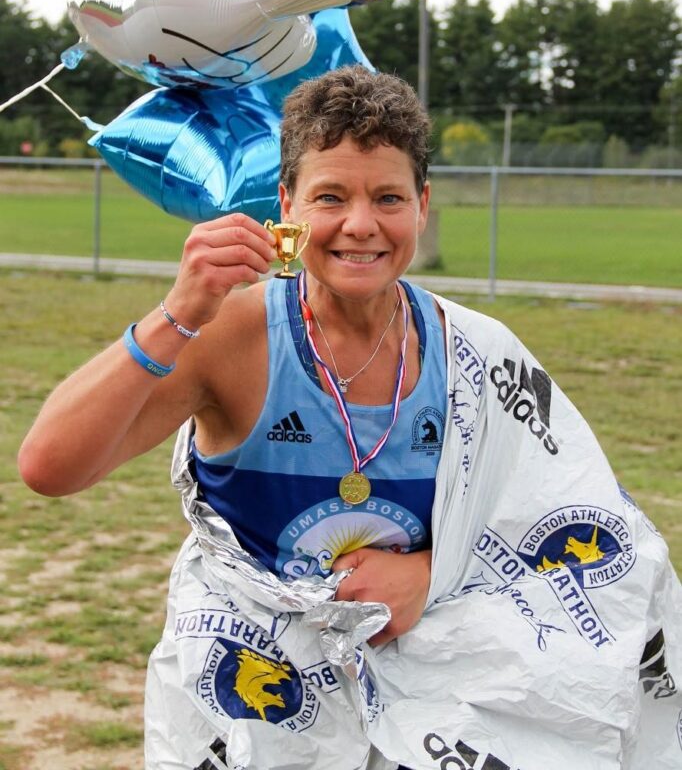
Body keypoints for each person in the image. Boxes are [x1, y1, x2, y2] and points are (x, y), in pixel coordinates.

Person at [18, 66, 682, 770]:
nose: (360, 224)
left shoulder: (476, 354)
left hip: (424, 708)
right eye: (329, 196)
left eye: (388, 197)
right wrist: (176, 314)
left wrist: (433, 573)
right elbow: (50, 467)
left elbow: (577, 538)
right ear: (286, 206)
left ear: (422, 207)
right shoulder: (233, 337)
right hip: (256, 711)